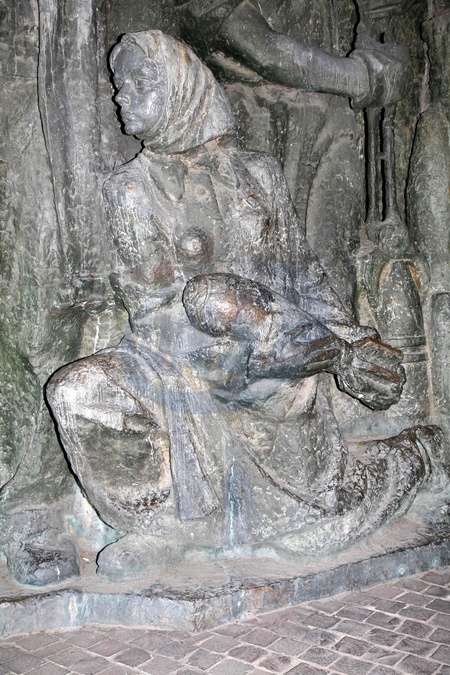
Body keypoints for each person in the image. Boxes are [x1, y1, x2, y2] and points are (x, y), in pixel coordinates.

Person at [47, 31, 435, 581]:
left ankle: (419, 453)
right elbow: (152, 307)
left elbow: (303, 275)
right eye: (118, 83)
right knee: (75, 391)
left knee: (314, 535)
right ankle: (164, 528)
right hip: (175, 356)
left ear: (180, 88)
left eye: (140, 81)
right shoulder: (128, 189)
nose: (121, 95)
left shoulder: (257, 174)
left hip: (273, 363)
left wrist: (353, 341)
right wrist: (221, 352)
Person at [176, 0, 410, 310]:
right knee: (271, 279)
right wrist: (364, 77)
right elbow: (259, 47)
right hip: (262, 128)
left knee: (331, 263)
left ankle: (340, 335)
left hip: (334, 122)